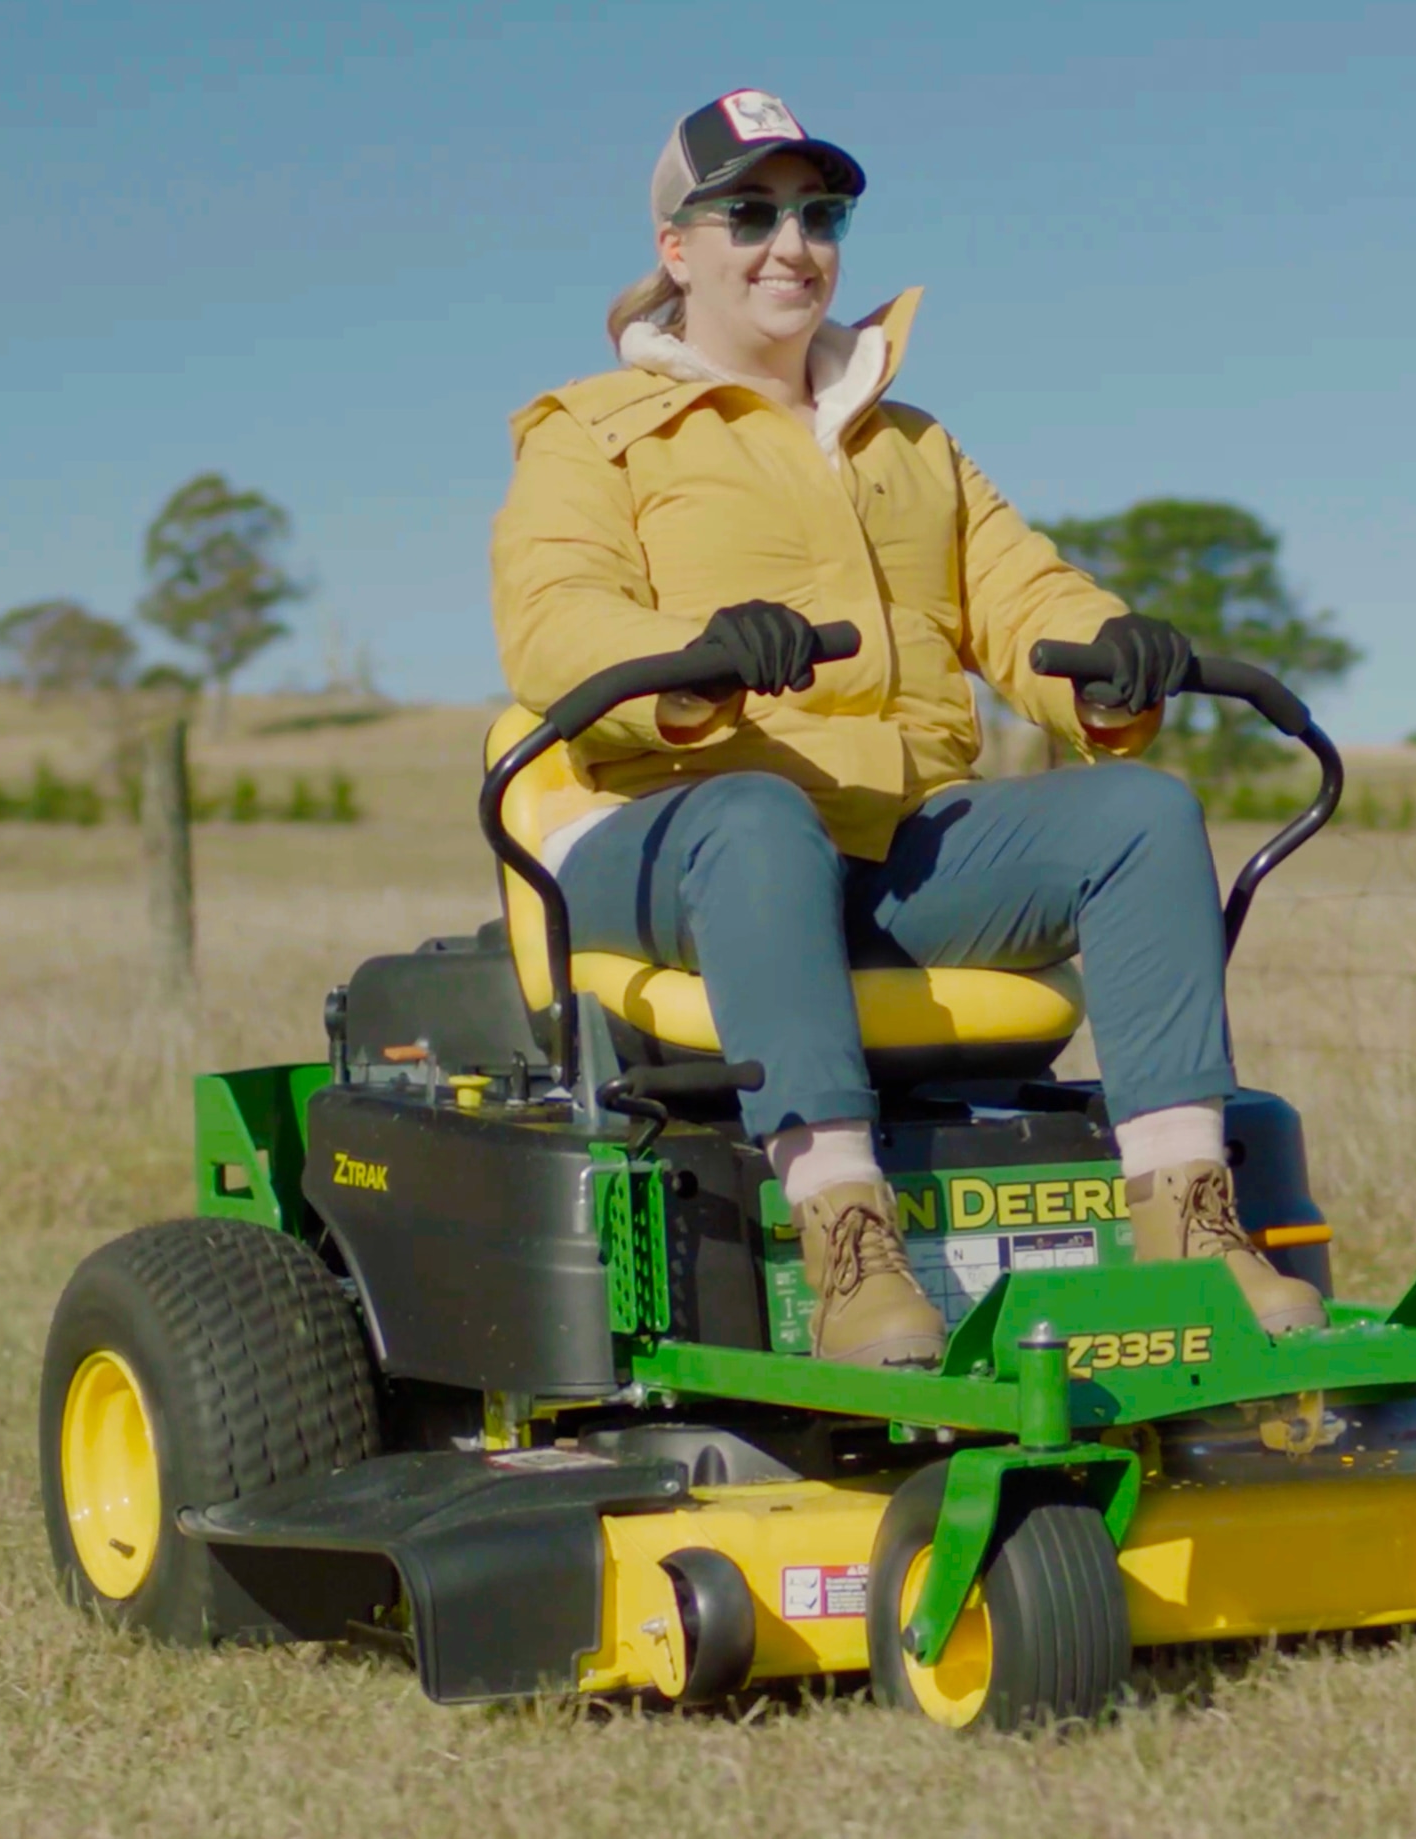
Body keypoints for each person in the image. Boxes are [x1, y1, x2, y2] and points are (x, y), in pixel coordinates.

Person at [488, 90, 1318, 1370]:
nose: (792, 244)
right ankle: (845, 1241)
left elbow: (1022, 593)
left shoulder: (911, 446)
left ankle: (1188, 1225)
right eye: (750, 212)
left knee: (1141, 813)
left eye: (819, 214)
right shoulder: (589, 436)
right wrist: (693, 667)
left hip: (884, 853)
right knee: (759, 821)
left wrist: (1107, 660)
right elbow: (552, 625)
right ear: (675, 250)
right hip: (663, 842)